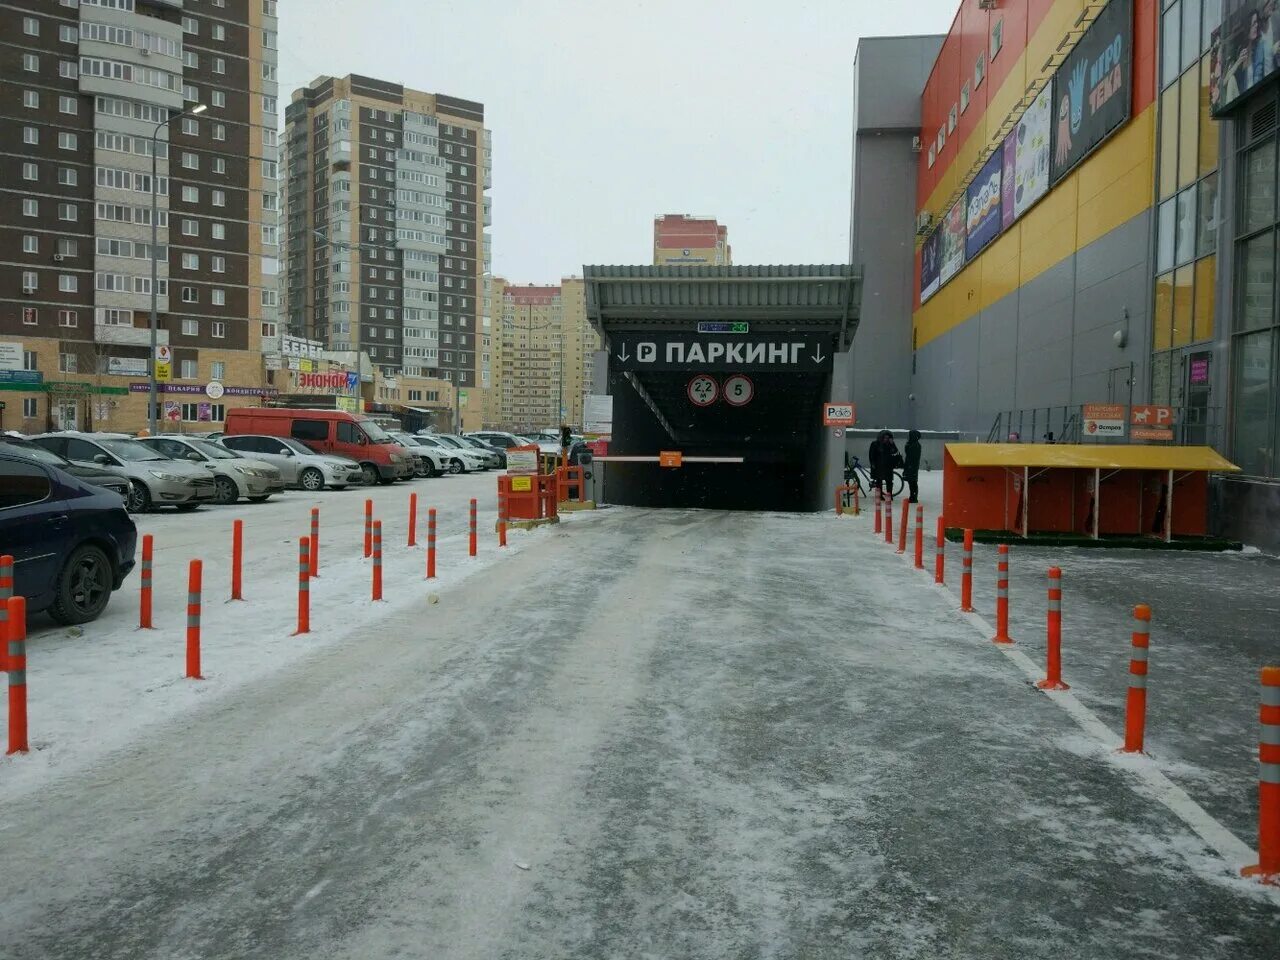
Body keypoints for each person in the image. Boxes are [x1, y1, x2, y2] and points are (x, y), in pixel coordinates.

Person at [868, 430, 902, 501]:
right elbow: (871, 455)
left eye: (888, 438)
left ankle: (889, 495)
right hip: (879, 466)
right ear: (881, 437)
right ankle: (880, 495)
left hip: (888, 466)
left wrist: (892, 444)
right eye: (885, 437)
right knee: (879, 481)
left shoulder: (890, 444)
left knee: (889, 481)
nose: (886, 439)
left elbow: (896, 452)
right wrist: (873, 463)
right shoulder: (875, 444)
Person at [903, 430, 922, 503]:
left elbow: (912, 456)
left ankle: (913, 497)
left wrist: (909, 466)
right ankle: (912, 496)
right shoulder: (912, 444)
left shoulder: (915, 445)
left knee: (912, 482)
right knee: (911, 482)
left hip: (912, 466)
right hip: (910, 466)